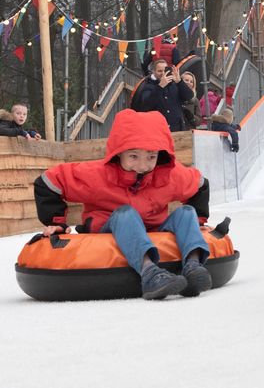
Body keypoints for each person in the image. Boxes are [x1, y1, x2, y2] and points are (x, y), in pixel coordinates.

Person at [33, 108, 213, 300]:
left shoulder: (168, 174)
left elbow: (200, 184)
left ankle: (193, 266)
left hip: (153, 228)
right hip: (110, 227)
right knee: (126, 214)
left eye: (151, 157)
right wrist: (57, 222)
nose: (143, 166)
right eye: (134, 156)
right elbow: (48, 181)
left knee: (186, 212)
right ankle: (150, 273)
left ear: (160, 154)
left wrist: (199, 220)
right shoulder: (96, 175)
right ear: (118, 153)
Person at [134, 57, 193, 133]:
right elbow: (146, 106)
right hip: (157, 130)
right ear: (153, 72)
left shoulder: (174, 85)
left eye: (164, 70)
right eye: (159, 71)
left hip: (176, 129)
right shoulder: (148, 86)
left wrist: (179, 81)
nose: (162, 73)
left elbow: (189, 97)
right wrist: (160, 87)